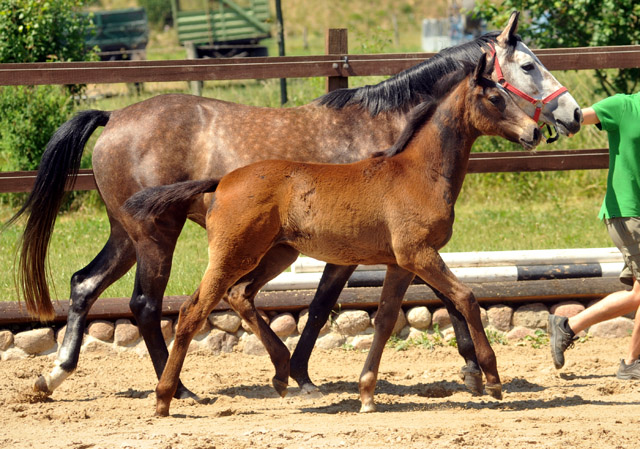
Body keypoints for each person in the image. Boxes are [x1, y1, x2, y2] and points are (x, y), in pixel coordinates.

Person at [548, 91, 640, 379]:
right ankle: (631, 363)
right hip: (627, 213)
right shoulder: (623, 105)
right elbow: (575, 120)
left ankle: (567, 327)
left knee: (637, 294)